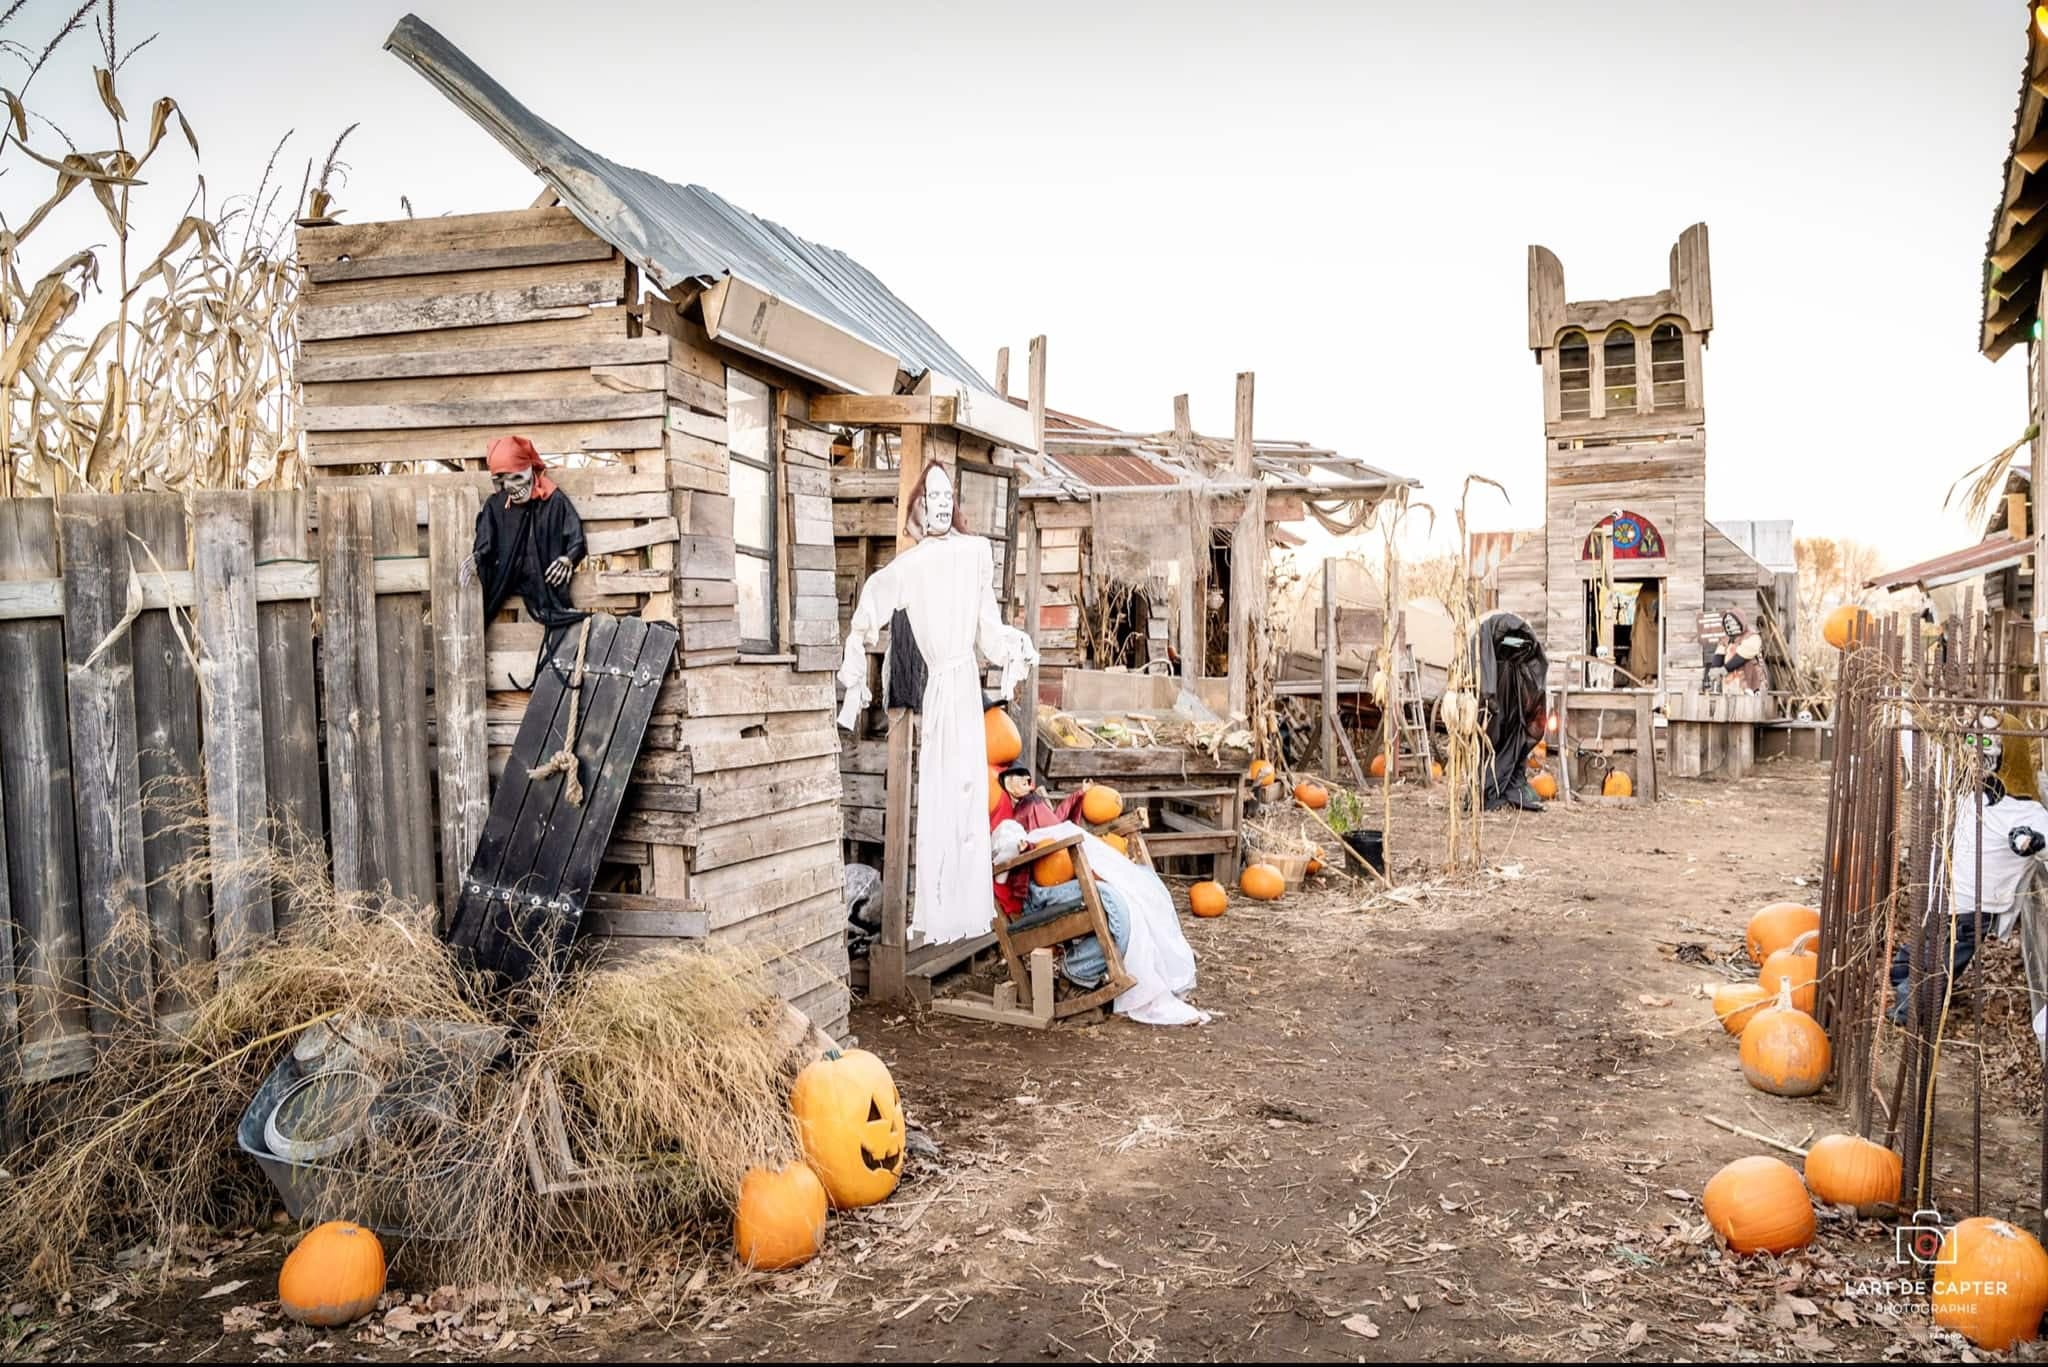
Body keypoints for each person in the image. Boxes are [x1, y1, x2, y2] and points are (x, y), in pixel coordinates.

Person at [1890, 712, 2048, 1025]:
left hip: (1973, 909)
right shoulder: (1965, 792)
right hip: (1943, 897)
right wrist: (1904, 713)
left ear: (2009, 752)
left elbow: (2042, 835)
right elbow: (1928, 758)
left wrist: (2033, 841)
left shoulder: (2025, 811)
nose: (1974, 750)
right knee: (1911, 959)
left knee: (1936, 969)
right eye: (1970, 739)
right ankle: (1906, 989)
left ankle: (1910, 1014)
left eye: (1986, 742)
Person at [465, 435, 588, 682]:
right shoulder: (496, 505)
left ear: (530, 469)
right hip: (504, 573)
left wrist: (568, 558)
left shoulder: (553, 500)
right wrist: (478, 556)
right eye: (502, 480)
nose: (511, 486)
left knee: (559, 615)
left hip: (543, 577)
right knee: (479, 611)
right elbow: (486, 537)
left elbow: (576, 537)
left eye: (516, 477)